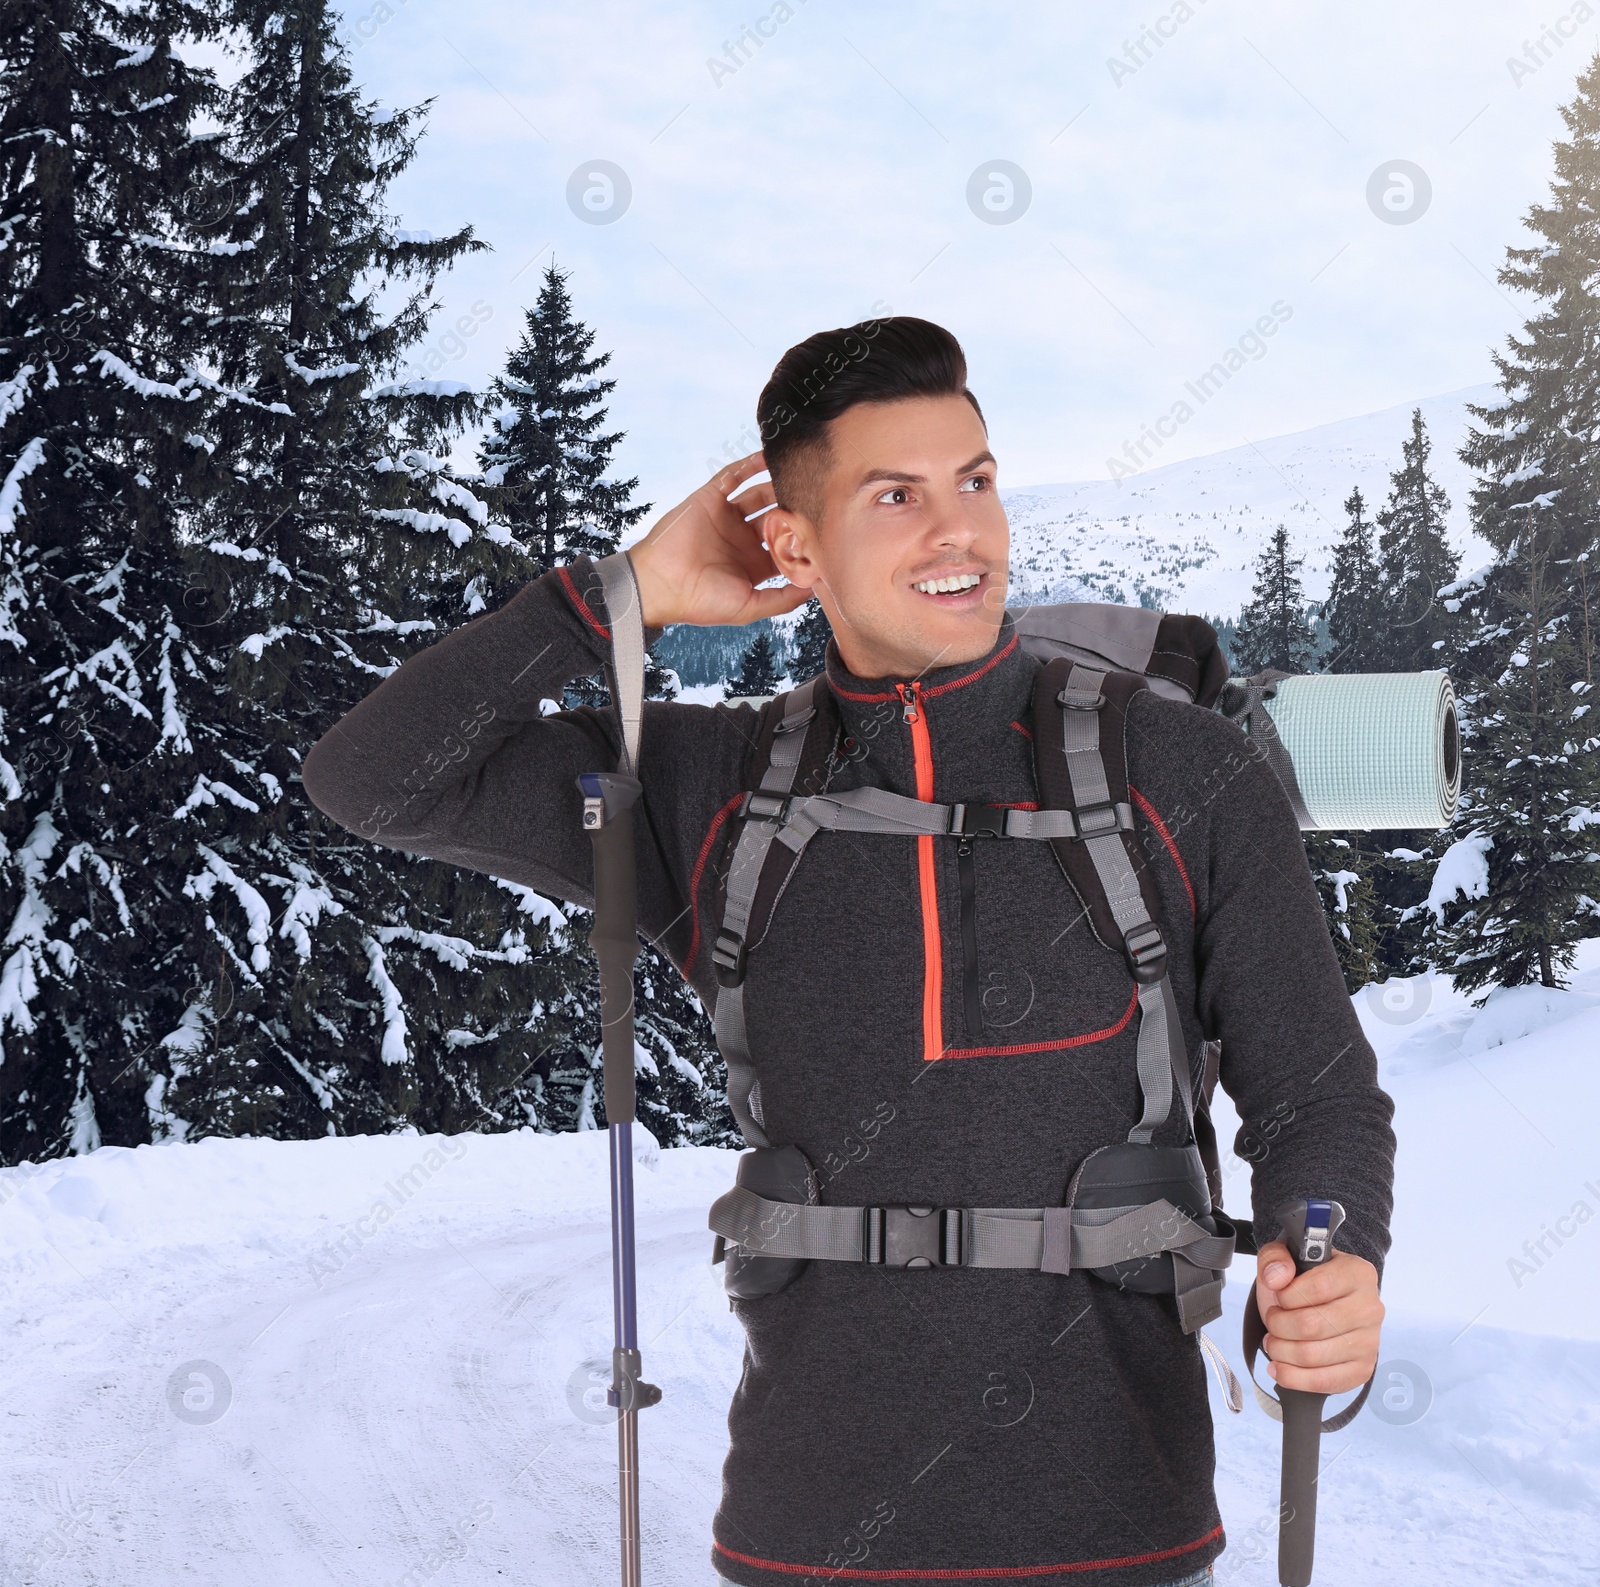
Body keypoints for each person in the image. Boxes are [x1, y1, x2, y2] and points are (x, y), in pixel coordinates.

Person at [301, 316, 1394, 1587]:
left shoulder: (1183, 771)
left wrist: (1328, 1261)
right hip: (800, 1543)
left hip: (1125, 1539)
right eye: (896, 495)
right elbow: (370, 779)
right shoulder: (705, 789)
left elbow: (1314, 1090)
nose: (961, 534)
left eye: (975, 481)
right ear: (794, 546)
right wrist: (618, 598)